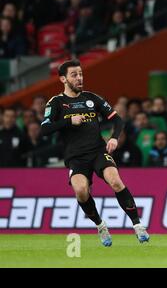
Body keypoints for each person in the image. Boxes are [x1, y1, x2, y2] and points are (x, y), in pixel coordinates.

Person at [40, 59, 149, 247]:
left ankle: (137, 225)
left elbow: (118, 120)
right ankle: (100, 225)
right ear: (63, 79)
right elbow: (45, 129)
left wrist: (114, 137)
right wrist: (68, 121)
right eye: (74, 75)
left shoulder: (92, 98)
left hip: (98, 151)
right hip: (75, 157)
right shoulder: (56, 102)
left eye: (81, 74)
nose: (79, 78)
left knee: (115, 181)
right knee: (81, 191)